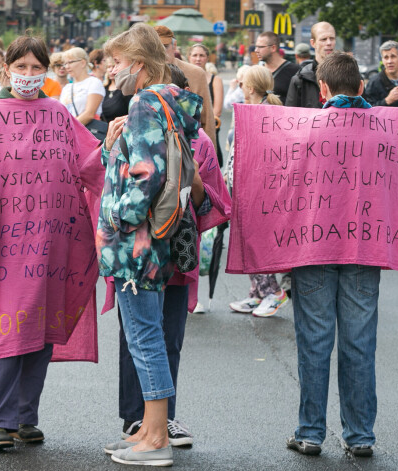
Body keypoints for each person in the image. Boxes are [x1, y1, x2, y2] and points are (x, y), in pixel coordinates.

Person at [0, 33, 103, 449]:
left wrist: (121, 144)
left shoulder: (58, 114)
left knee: (41, 329)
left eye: (37, 68)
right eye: (21, 67)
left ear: (46, 71)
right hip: (5, 245)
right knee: (4, 330)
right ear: (5, 69)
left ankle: (24, 417)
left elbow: (90, 165)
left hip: (53, 243)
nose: (29, 75)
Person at [97, 23, 202, 467]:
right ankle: (147, 429)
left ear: (138, 64)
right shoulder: (170, 102)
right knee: (149, 335)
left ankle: (155, 436)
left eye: (118, 62)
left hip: (135, 243)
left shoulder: (143, 102)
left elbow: (147, 174)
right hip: (155, 240)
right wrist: (110, 149)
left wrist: (118, 218)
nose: (112, 70)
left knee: (144, 336)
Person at [114, 62, 231, 455]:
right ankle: (138, 420)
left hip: (174, 259)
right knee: (136, 339)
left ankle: (161, 422)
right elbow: (107, 182)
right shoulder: (133, 128)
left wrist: (193, 181)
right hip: (143, 256)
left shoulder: (201, 145)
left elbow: (215, 205)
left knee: (164, 340)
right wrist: (108, 147)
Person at [286, 52, 380, 458]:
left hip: (314, 245)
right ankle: (360, 435)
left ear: (321, 89)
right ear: (361, 88)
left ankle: (310, 432)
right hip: (365, 245)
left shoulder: (303, 130)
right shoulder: (384, 131)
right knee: (359, 342)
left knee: (314, 339)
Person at [226, 65, 289, 317]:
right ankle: (257, 291)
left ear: (250, 88)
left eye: (242, 84)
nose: (239, 87)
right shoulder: (247, 110)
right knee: (245, 239)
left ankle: (273, 292)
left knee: (254, 242)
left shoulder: (264, 113)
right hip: (241, 185)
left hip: (256, 188)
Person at [154, 26, 217, 153]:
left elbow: (207, 119)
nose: (160, 52)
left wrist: (210, 155)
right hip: (155, 150)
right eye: (155, 48)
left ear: (174, 46)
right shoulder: (146, 74)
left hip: (189, 150)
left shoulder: (195, 73)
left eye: (165, 47)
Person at [187, 44, 224, 165]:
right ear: (189, 57)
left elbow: (217, 111)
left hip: (207, 127)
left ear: (207, 58)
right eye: (195, 55)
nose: (198, 59)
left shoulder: (215, 80)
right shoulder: (183, 77)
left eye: (201, 55)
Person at [286, 21, 336, 108]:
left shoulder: (349, 75)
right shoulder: (300, 79)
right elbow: (290, 115)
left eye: (332, 38)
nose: (329, 43)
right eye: (323, 39)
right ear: (313, 43)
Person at [363, 40, 398, 107]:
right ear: (382, 60)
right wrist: (387, 100)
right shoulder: (374, 82)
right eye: (386, 57)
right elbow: (369, 109)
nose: (389, 61)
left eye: (393, 56)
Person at [59, 47, 105, 126]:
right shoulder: (67, 87)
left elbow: (89, 114)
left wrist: (67, 128)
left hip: (86, 132)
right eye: (65, 63)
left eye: (70, 62)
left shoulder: (94, 82)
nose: (67, 66)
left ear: (83, 63)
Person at [254, 31, 298, 104]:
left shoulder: (295, 71)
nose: (256, 50)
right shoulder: (258, 72)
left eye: (260, 47)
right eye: (256, 47)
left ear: (273, 48)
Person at [100, 54, 129, 123]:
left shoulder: (126, 89)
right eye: (108, 67)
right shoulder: (103, 88)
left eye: (113, 66)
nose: (111, 70)